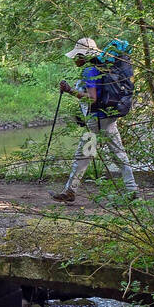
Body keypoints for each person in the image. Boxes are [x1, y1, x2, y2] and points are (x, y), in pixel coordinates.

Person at [51, 37, 138, 203]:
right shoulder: (104, 68)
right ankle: (132, 189)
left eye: (77, 55)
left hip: (98, 120)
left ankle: (70, 191)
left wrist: (69, 90)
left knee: (85, 155)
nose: (75, 59)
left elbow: (91, 98)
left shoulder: (90, 71)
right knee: (114, 153)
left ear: (84, 55)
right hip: (108, 116)